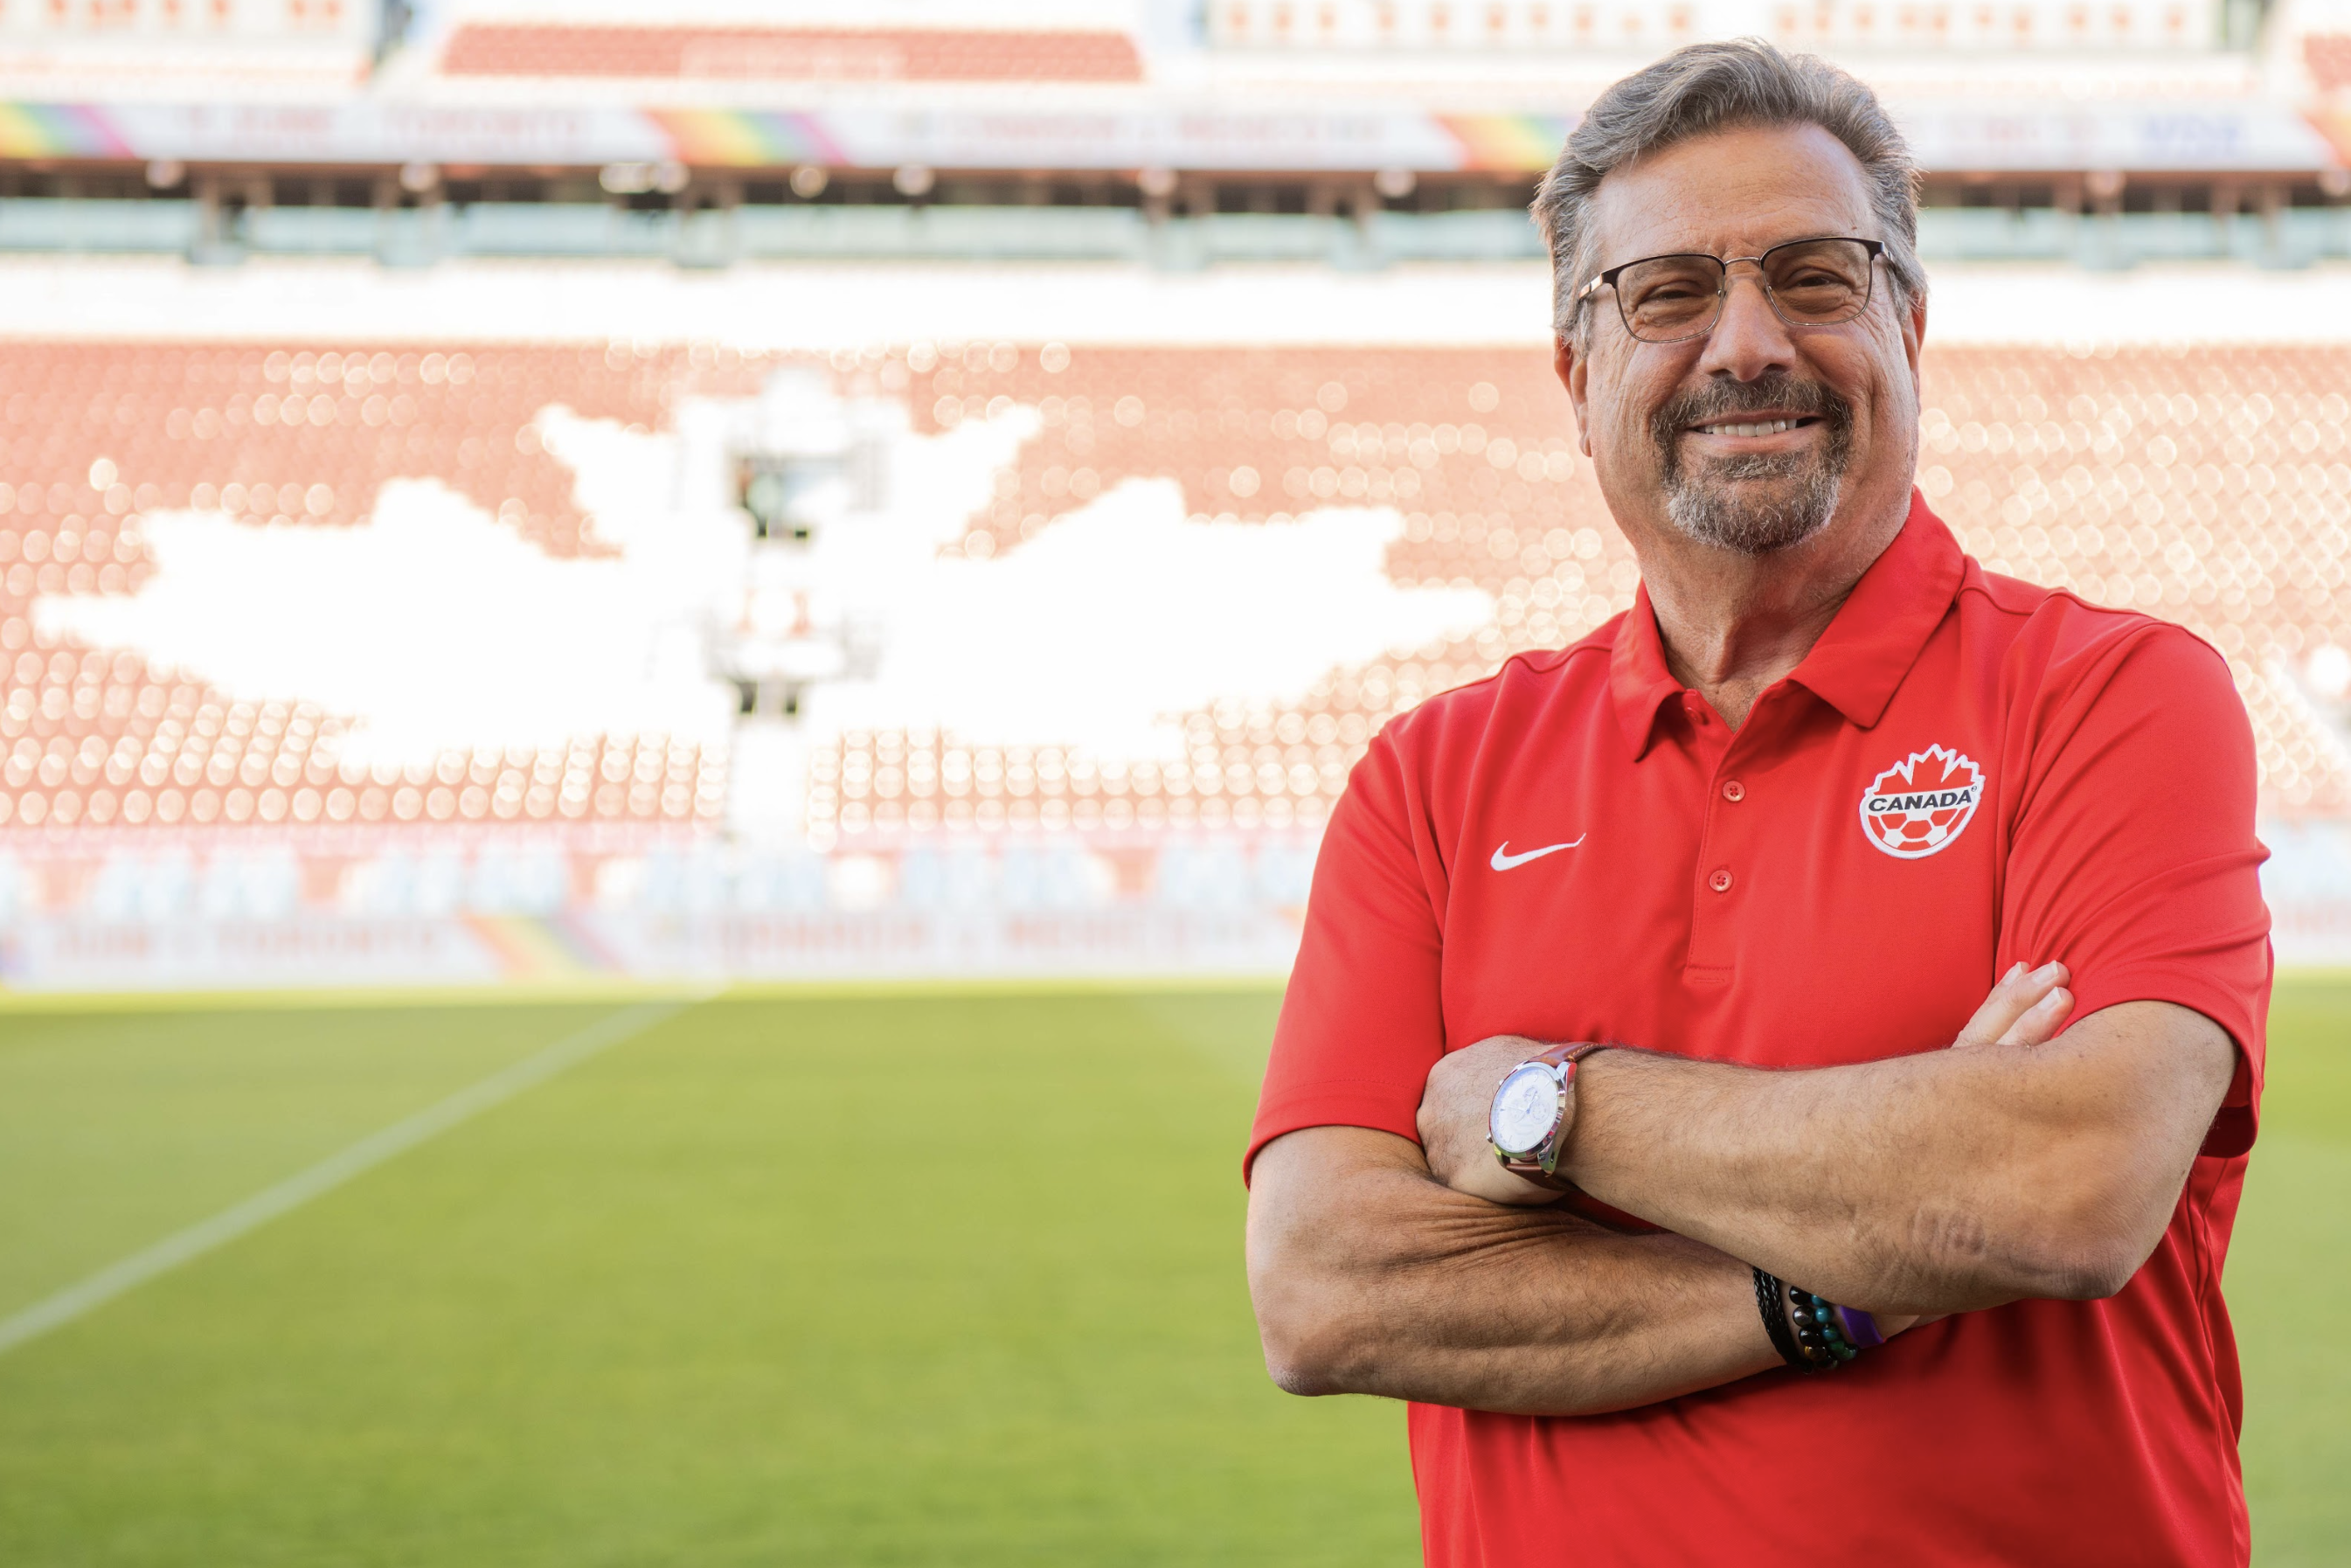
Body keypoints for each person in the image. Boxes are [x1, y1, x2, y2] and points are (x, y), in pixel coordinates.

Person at [1243, 38, 2269, 1568]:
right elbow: (1329, 1288)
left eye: (1811, 276)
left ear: (1906, 321)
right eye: (1665, 295)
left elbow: (2066, 1183)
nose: (1744, 345)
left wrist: (1548, 1107)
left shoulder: (2110, 695)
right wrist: (1848, 1280)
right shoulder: (1434, 776)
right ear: (1575, 367)